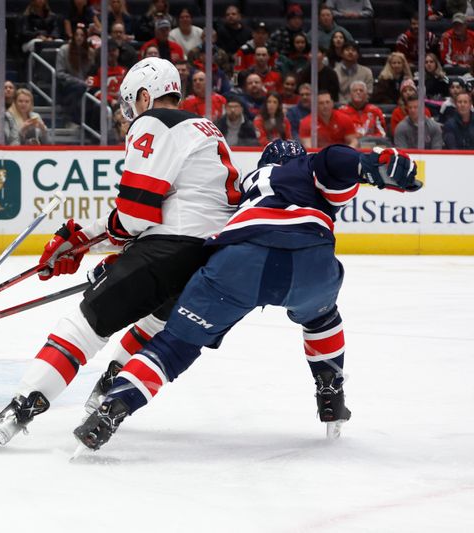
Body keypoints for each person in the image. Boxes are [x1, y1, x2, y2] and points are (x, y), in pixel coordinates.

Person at [74, 140, 422, 452]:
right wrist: (370, 164)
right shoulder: (304, 170)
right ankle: (330, 389)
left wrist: (126, 257)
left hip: (239, 265)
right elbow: (332, 160)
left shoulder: (238, 189)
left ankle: (114, 406)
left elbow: (182, 231)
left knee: (174, 346)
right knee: (322, 316)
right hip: (309, 265)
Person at [0, 57, 240, 453]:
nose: (131, 116)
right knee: (153, 321)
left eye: (133, 105)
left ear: (147, 96)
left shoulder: (154, 123)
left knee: (84, 324)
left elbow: (134, 215)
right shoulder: (205, 128)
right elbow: (164, 208)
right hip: (213, 258)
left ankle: (18, 412)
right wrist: (83, 236)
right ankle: (108, 390)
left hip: (171, 248)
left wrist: (82, 241)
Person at [56, 24, 92, 122]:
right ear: (73, 36)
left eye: (82, 35)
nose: (79, 38)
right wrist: (80, 82)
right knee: (79, 89)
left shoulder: (89, 52)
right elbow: (60, 73)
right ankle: (73, 120)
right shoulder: (64, 50)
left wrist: (90, 80)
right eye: (77, 35)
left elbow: (91, 72)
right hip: (67, 85)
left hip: (85, 85)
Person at [85, 38, 127, 106]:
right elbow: (94, 90)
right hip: (103, 106)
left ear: (118, 52)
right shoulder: (96, 70)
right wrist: (110, 100)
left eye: (113, 50)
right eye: (109, 51)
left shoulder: (124, 70)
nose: (111, 53)